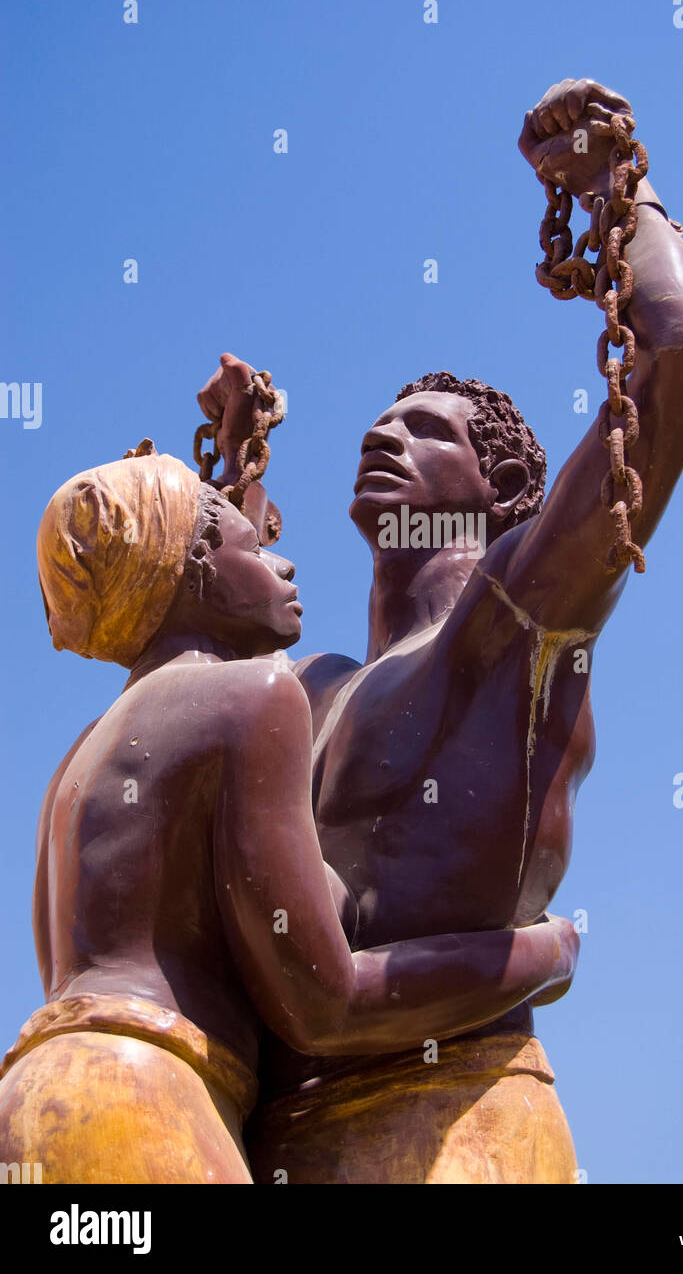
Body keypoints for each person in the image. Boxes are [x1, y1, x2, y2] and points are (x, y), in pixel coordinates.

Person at [196, 80, 683, 1184]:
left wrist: (611, 184)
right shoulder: (325, 683)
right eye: (381, 420)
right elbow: (218, 683)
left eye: (425, 430)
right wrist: (239, 474)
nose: (383, 433)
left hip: (457, 1117)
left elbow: (679, 355)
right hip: (287, 1134)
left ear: (504, 486)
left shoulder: (515, 613)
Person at [0, 445, 577, 1183]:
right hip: (137, 1104)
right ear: (198, 564)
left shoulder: (81, 759)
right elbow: (326, 1005)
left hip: (38, 1093)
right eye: (256, 546)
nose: (285, 567)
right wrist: (541, 956)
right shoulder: (255, 696)